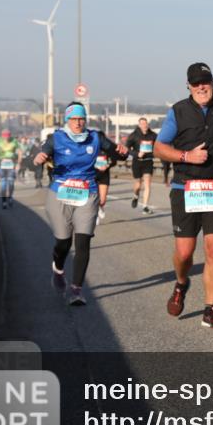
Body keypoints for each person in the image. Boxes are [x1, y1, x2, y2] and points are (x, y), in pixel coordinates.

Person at [153, 62, 213, 329]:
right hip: (186, 188)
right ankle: (182, 284)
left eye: (205, 82)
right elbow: (160, 147)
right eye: (196, 83)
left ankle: (210, 310)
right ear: (188, 86)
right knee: (184, 253)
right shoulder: (178, 111)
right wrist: (186, 156)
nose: (201, 87)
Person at [34, 103, 127, 305]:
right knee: (63, 242)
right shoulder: (56, 138)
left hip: (87, 192)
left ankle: (76, 290)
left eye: (81, 119)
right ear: (68, 120)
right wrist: (40, 157)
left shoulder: (96, 137)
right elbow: (43, 152)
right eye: (74, 119)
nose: (78, 122)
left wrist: (123, 151)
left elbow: (116, 153)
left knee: (83, 241)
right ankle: (58, 269)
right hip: (60, 192)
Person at [126, 117, 157, 214]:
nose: (144, 125)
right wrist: (136, 154)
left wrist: (154, 153)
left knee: (147, 184)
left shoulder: (153, 135)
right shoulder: (133, 135)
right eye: (142, 124)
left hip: (148, 161)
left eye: (146, 123)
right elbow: (127, 149)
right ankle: (135, 195)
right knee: (138, 185)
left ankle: (145, 207)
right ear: (139, 125)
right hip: (137, 161)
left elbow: (158, 147)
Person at [0, 129, 21, 209]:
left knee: (11, 182)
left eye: (7, 136)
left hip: (11, 164)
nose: (6, 138)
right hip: (1, 164)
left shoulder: (14, 141)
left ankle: (10, 197)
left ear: (10, 135)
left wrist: (18, 163)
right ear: (2, 135)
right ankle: (4, 201)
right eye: (5, 136)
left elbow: (20, 152)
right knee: (4, 183)